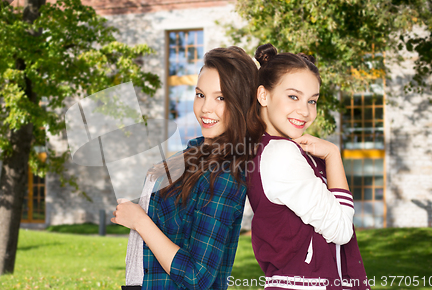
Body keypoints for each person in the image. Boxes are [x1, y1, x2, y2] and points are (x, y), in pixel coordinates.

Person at [112, 46, 265, 290]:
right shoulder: (193, 153)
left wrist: (140, 221)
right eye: (200, 94)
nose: (205, 108)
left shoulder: (226, 174)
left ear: (240, 103)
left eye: (221, 98)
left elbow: (197, 276)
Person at [246, 43, 370, 290]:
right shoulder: (281, 153)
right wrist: (333, 155)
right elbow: (341, 230)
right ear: (263, 95)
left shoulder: (271, 148)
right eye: (293, 96)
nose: (305, 111)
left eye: (312, 101)